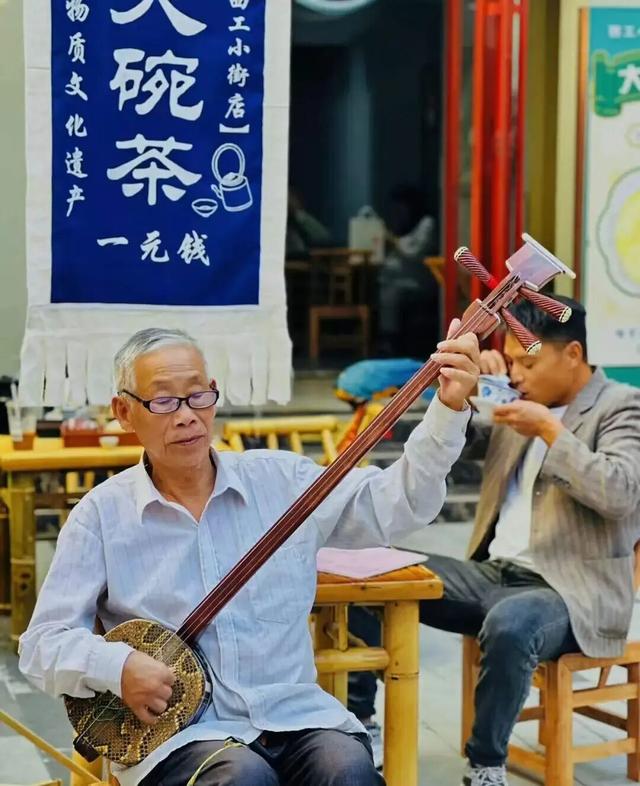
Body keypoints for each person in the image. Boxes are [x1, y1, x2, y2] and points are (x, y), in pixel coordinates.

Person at [19, 325, 480, 786]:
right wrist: (118, 667)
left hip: (293, 714)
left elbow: (398, 505)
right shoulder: (100, 517)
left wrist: (448, 408)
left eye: (199, 395)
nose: (187, 416)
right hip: (184, 736)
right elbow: (42, 643)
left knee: (347, 769)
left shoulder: (280, 481)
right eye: (163, 401)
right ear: (124, 411)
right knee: (241, 777)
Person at [348, 296, 640, 786]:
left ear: (572, 354)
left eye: (529, 361)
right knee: (370, 572)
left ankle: (485, 766)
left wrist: (551, 429)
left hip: (574, 591)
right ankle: (362, 723)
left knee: (512, 621)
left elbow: (621, 492)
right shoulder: (518, 398)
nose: (519, 374)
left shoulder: (621, 405)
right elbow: (459, 444)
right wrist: (467, 393)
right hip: (492, 573)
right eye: (513, 362)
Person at [377, 184, 439, 358]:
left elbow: (413, 252)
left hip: (418, 281)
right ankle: (387, 339)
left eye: (401, 207)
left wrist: (391, 239)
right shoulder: (403, 224)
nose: (398, 211)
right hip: (398, 278)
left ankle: (390, 340)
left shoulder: (427, 223)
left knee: (390, 294)